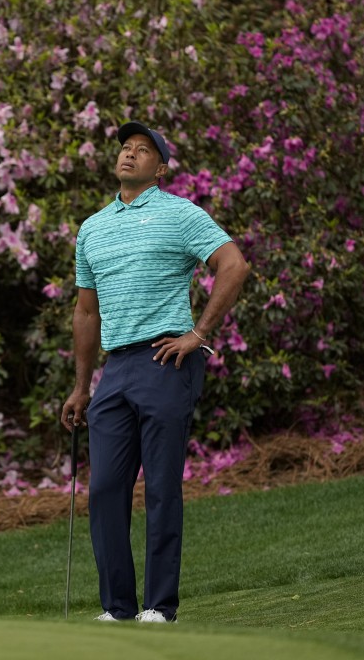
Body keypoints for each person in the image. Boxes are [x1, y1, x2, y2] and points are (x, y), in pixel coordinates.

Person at [61, 121, 249, 623]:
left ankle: (158, 607)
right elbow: (85, 312)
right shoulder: (92, 228)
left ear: (160, 167)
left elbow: (234, 265)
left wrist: (200, 333)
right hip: (115, 370)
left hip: (167, 361)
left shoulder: (180, 213)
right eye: (125, 148)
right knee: (104, 490)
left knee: (162, 486)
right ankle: (117, 608)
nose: (130, 155)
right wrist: (82, 387)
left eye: (143, 151)